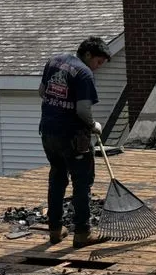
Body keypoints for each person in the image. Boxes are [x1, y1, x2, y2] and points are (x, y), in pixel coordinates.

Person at [38, 36, 111, 248]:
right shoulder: (84, 73)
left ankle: (55, 229)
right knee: (82, 183)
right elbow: (82, 110)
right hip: (72, 137)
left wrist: (58, 107)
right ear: (88, 54)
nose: (97, 68)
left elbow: (42, 92)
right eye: (98, 62)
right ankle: (82, 233)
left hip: (48, 132)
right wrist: (93, 125)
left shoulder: (54, 61)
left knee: (57, 177)